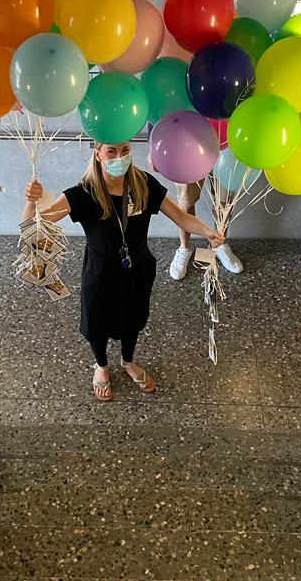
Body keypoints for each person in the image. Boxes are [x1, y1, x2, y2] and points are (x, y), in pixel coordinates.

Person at [22, 141, 224, 401]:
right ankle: (102, 366)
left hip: (137, 267)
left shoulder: (143, 184)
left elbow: (180, 216)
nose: (120, 156)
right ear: (98, 154)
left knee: (133, 319)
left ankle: (128, 361)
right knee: (97, 323)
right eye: (111, 151)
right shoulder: (84, 193)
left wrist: (206, 230)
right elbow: (34, 225)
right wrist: (31, 201)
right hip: (100, 271)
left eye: (125, 150)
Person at [170, 179, 244, 281]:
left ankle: (219, 245)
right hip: (188, 162)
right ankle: (184, 247)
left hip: (221, 162)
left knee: (224, 199)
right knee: (185, 200)